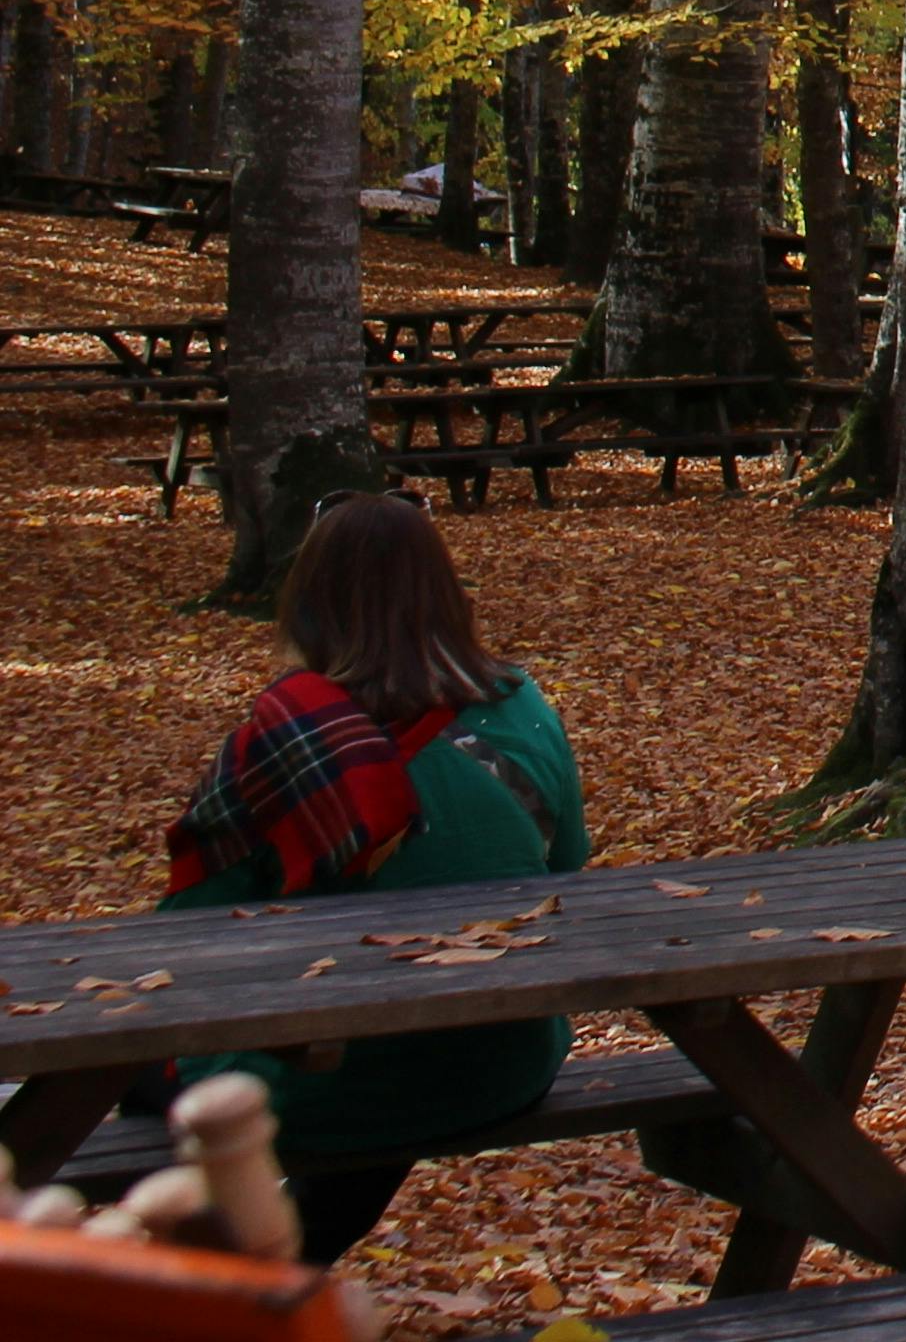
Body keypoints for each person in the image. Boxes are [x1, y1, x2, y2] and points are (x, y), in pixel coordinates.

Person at [156, 492, 589, 1261]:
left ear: (310, 599)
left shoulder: (283, 738)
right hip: (508, 1062)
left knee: (138, 1084)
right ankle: (273, 1269)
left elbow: (185, 938)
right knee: (383, 1051)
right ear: (446, 592)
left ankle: (167, 1285)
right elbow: (566, 873)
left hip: (345, 1083)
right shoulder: (522, 705)